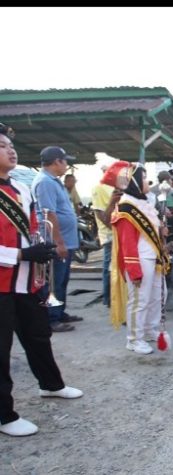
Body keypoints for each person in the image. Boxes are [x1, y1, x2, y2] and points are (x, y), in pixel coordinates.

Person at [0, 123, 83, 438]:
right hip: (2, 282)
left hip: (26, 282)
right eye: (2, 146)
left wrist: (42, 245)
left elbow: (34, 226)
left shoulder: (21, 189)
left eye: (10, 145)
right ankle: (4, 415)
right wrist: (22, 254)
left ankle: (51, 385)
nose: (10, 150)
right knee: (1, 349)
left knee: (38, 335)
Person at [104, 161, 169, 355]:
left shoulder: (142, 203)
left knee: (158, 296)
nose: (147, 180)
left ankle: (150, 328)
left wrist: (161, 231)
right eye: (143, 177)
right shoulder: (126, 207)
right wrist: (134, 270)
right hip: (139, 260)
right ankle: (134, 339)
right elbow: (127, 242)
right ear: (133, 181)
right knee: (140, 300)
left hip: (153, 257)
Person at [31, 146, 81, 332]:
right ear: (56, 162)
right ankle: (51, 318)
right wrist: (59, 243)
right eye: (65, 161)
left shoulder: (53, 181)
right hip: (56, 241)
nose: (67, 165)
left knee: (62, 280)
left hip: (66, 240)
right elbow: (49, 214)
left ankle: (59, 312)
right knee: (54, 282)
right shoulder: (45, 182)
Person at [91, 159, 123, 308]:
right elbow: (99, 213)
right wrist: (112, 228)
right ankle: (108, 298)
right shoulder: (99, 188)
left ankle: (115, 297)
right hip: (110, 234)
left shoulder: (117, 187)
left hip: (119, 231)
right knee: (109, 267)